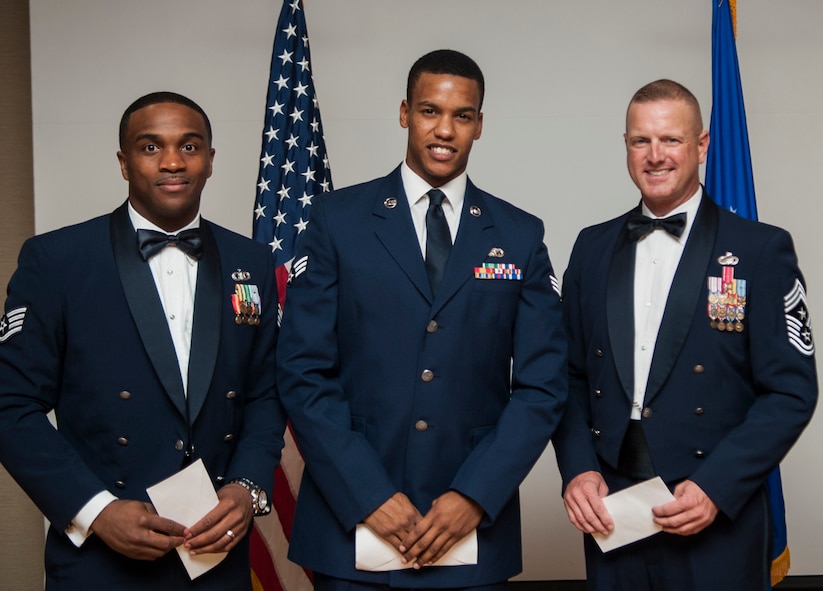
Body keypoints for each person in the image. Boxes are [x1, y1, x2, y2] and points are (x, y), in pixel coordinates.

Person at [276, 49, 567, 591]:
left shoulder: (519, 235)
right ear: (405, 113)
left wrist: (476, 494)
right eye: (431, 111)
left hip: (472, 531)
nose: (445, 130)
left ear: (480, 125)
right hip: (353, 527)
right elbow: (302, 371)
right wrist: (368, 495)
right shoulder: (337, 221)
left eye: (462, 116)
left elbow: (542, 386)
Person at [0, 92, 285, 590]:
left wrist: (245, 488)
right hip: (100, 562)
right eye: (151, 147)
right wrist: (97, 510)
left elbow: (264, 394)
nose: (173, 162)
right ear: (124, 162)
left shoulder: (254, 261)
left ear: (211, 160)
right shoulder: (57, 261)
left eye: (189, 146)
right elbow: (10, 405)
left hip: (215, 555)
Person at [552, 79, 818, 590]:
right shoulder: (591, 247)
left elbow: (790, 390)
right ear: (626, 146)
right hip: (613, 507)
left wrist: (717, 486)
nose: (655, 156)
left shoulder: (760, 250)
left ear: (701, 145)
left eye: (671, 140)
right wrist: (578, 470)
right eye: (640, 141)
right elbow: (568, 376)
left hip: (714, 509)